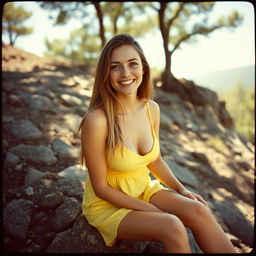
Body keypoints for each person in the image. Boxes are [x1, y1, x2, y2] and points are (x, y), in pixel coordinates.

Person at [78, 34, 236, 253]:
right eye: (116, 66)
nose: (125, 73)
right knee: (173, 226)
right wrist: (150, 209)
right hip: (108, 204)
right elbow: (101, 188)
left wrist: (181, 189)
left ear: (143, 68)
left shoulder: (151, 109)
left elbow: (155, 160)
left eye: (132, 64)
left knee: (199, 210)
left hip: (143, 188)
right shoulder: (97, 120)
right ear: (106, 73)